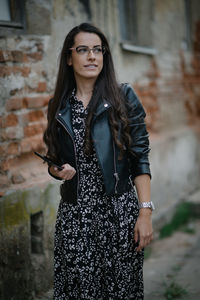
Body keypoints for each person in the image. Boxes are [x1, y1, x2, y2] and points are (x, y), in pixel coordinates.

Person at [43, 22, 153, 300]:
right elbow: (55, 160)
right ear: (69, 58)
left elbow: (140, 158)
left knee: (122, 291)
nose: (92, 56)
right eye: (83, 49)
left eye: (97, 50)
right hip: (76, 217)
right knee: (80, 292)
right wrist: (58, 171)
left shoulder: (124, 97)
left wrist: (145, 213)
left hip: (118, 215)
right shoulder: (58, 105)